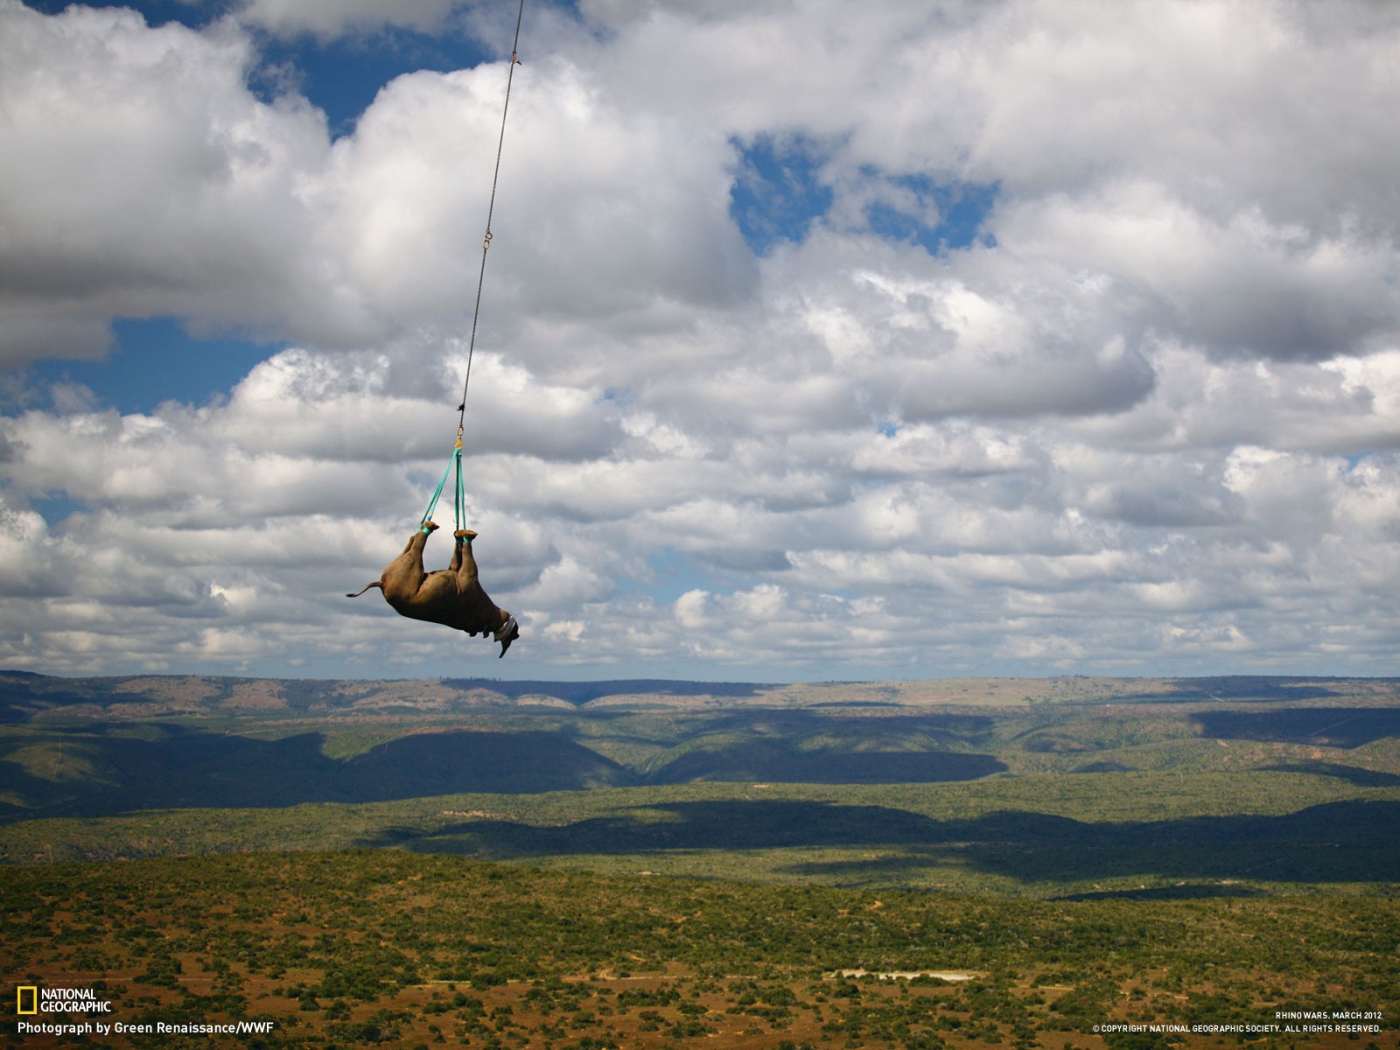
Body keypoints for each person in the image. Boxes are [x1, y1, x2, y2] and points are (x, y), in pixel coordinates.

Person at [347, 522, 519, 657]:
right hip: (405, 598)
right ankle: (426, 534)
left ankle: (425, 533)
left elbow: (467, 575)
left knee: (418, 557)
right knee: (424, 563)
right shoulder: (469, 613)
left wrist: (466, 543)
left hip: (410, 593)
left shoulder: (475, 605)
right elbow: (458, 571)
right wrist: (460, 543)